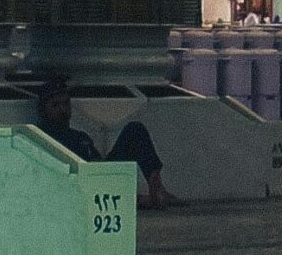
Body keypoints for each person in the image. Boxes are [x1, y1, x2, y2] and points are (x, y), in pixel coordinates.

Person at [33, 80, 177, 208]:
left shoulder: (79, 136)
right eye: (55, 105)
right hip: (79, 190)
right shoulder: (40, 138)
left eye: (66, 104)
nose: (63, 110)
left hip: (101, 178)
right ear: (44, 110)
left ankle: (156, 189)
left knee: (134, 130)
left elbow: (99, 164)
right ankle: (144, 199)